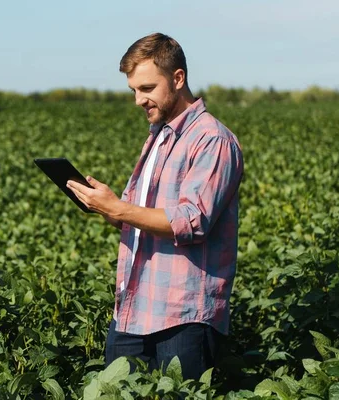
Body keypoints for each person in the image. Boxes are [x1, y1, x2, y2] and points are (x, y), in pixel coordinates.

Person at [66, 32, 243, 380]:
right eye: (133, 90)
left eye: (146, 88)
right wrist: (108, 207)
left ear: (178, 79)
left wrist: (119, 209)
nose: (138, 100)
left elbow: (192, 220)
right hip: (134, 307)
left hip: (183, 315)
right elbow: (141, 218)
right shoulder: (159, 137)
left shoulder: (212, 140)